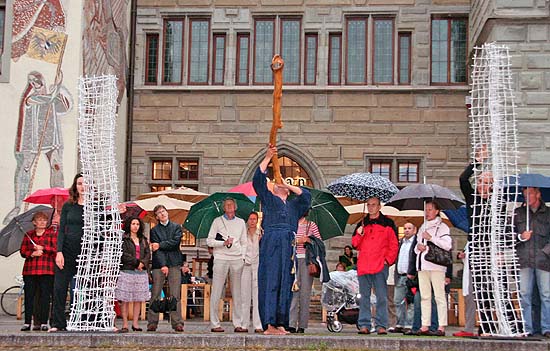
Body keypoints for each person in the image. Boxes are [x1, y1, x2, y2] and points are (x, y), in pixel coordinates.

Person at [253, 144, 311, 335]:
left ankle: (280, 323)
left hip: (288, 243)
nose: (280, 184)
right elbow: (258, 182)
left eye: (283, 185)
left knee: (286, 283)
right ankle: (268, 324)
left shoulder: (294, 206)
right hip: (271, 241)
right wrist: (268, 156)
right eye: (278, 184)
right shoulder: (269, 200)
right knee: (270, 281)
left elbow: (307, 197)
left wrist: (288, 185)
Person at [4, 71, 72, 225]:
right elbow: (47, 99)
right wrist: (58, 86)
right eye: (32, 82)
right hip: (33, 140)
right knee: (24, 169)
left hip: (50, 138)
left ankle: (59, 209)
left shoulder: (52, 97)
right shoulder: (31, 98)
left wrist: (60, 89)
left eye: (37, 81)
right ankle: (17, 206)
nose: (35, 84)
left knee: (57, 167)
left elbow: (65, 107)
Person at [352, 196, 398, 335]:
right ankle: (364, 324)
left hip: (379, 265)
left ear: (379, 206)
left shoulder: (388, 223)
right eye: (369, 205)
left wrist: (387, 261)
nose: (371, 207)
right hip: (364, 265)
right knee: (364, 297)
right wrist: (359, 234)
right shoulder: (362, 223)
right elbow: (355, 244)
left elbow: (394, 245)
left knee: (382, 297)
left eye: (374, 204)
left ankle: (381, 325)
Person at [49, 173, 85, 332]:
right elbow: (62, 231)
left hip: (85, 253)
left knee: (82, 291)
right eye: (79, 183)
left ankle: (82, 322)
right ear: (75, 186)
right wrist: (59, 252)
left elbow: (105, 224)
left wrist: (116, 213)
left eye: (85, 183)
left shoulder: (95, 207)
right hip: (66, 252)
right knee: (59, 288)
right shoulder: (68, 206)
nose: (83, 186)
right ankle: (58, 324)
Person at [206, 197, 247, 333]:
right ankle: (214, 323)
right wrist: (222, 243)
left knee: (238, 292)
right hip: (221, 258)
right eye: (227, 205)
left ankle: (238, 323)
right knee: (217, 290)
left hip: (237, 259)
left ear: (235, 207)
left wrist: (242, 256)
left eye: (231, 205)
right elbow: (209, 241)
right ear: (224, 208)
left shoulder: (241, 222)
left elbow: (244, 242)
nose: (229, 207)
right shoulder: (217, 221)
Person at [515, 187, 550, 338]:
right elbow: (508, 235)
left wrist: (545, 252)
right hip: (524, 260)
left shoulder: (548, 213)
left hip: (544, 261)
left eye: (529, 194)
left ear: (538, 194)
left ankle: (546, 328)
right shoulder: (518, 213)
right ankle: (527, 327)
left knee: (546, 295)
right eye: (524, 194)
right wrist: (521, 237)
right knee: (524, 294)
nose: (526, 197)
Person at [414, 201, 452, 336]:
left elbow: (447, 245)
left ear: (436, 211)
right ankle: (425, 325)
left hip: (436, 266)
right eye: (426, 209)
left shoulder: (442, 227)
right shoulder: (422, 227)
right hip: (422, 265)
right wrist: (418, 247)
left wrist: (431, 239)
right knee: (425, 296)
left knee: (439, 296)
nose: (427, 212)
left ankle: (441, 326)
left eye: (430, 209)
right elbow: (417, 246)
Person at [147, 204, 185, 332]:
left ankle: (177, 322)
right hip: (159, 264)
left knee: (175, 294)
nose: (162, 214)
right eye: (159, 213)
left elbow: (175, 243)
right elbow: (156, 250)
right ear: (156, 217)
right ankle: (152, 322)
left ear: (167, 212)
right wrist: (163, 264)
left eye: (163, 211)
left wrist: (161, 244)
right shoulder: (154, 231)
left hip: (174, 263)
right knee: (155, 293)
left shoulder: (177, 227)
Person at [19, 211, 57, 331]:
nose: (42, 222)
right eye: (39, 220)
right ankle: (27, 322)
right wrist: (32, 253)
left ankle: (44, 322)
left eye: (44, 220)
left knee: (45, 297)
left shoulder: (51, 234)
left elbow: (56, 249)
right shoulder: (28, 235)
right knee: (29, 297)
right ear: (34, 222)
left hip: (46, 270)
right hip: (30, 271)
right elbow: (22, 251)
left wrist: (43, 248)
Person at [115, 217, 151, 333]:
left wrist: (143, 263)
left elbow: (147, 254)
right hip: (127, 271)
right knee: (125, 298)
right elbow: (123, 255)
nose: (135, 226)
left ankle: (135, 323)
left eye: (137, 224)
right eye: (133, 224)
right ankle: (125, 323)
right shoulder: (124, 239)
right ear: (129, 225)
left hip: (141, 272)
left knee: (138, 298)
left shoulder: (143, 239)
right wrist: (137, 263)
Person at [288, 216, 322, 334]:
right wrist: (297, 241)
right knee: (293, 293)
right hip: (292, 261)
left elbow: (320, 243)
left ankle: (302, 325)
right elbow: (286, 241)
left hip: (307, 261)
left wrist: (309, 240)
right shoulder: (290, 224)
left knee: (305, 293)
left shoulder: (311, 225)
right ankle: (290, 323)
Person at [391, 222, 417, 334]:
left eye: (409, 228)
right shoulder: (401, 242)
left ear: (414, 230)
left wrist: (413, 272)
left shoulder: (416, 243)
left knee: (411, 302)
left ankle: (409, 324)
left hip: (411, 276)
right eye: (405, 228)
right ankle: (400, 323)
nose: (407, 230)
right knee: (398, 300)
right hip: (400, 275)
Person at [241, 211, 263, 333]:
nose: (252, 221)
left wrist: (260, 241)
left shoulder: (261, 233)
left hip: (257, 265)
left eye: (254, 219)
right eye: (250, 219)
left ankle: (258, 325)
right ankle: (244, 324)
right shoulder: (242, 234)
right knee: (245, 295)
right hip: (245, 265)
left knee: (257, 296)